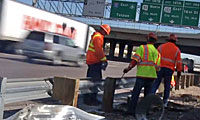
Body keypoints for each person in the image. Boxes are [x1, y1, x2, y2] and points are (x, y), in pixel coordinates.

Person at [123, 32, 160, 116]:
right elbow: (158, 68)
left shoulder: (142, 48)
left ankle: (131, 111)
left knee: (135, 94)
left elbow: (135, 60)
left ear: (147, 39)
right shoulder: (157, 53)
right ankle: (145, 112)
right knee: (148, 96)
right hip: (151, 77)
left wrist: (128, 69)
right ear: (155, 41)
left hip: (141, 76)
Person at [151, 33, 182, 107]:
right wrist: (178, 73)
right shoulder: (177, 50)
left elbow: (155, 58)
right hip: (169, 70)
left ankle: (150, 100)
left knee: (155, 84)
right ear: (175, 41)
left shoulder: (161, 47)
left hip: (160, 68)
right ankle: (165, 102)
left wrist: (154, 68)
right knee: (167, 86)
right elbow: (179, 63)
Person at [83, 24, 111, 106]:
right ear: (103, 31)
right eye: (105, 33)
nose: (105, 35)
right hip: (95, 62)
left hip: (92, 62)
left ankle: (88, 99)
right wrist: (104, 60)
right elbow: (98, 51)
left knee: (90, 82)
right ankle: (91, 100)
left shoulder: (96, 36)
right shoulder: (98, 37)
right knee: (95, 82)